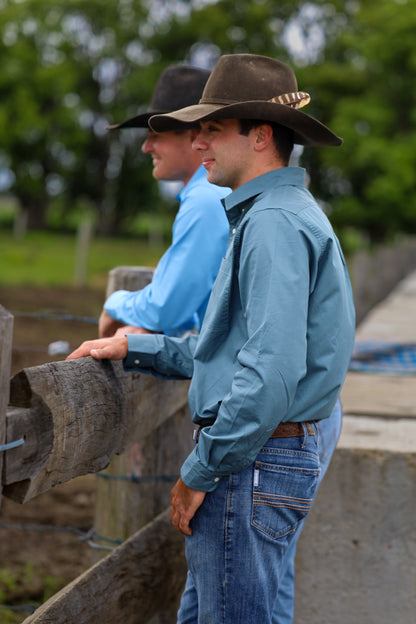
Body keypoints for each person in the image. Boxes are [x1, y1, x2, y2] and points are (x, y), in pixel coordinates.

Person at [68, 54, 356, 624]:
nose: (199, 146)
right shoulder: (271, 213)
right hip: (263, 456)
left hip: (252, 462)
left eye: (213, 130)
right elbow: (233, 351)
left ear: (261, 136)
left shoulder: (272, 223)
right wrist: (136, 347)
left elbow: (269, 372)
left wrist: (201, 469)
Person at [100, 65, 229, 339]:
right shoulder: (216, 193)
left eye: (156, 134)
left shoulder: (205, 199)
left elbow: (165, 308)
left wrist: (115, 305)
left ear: (195, 136)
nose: (147, 147)